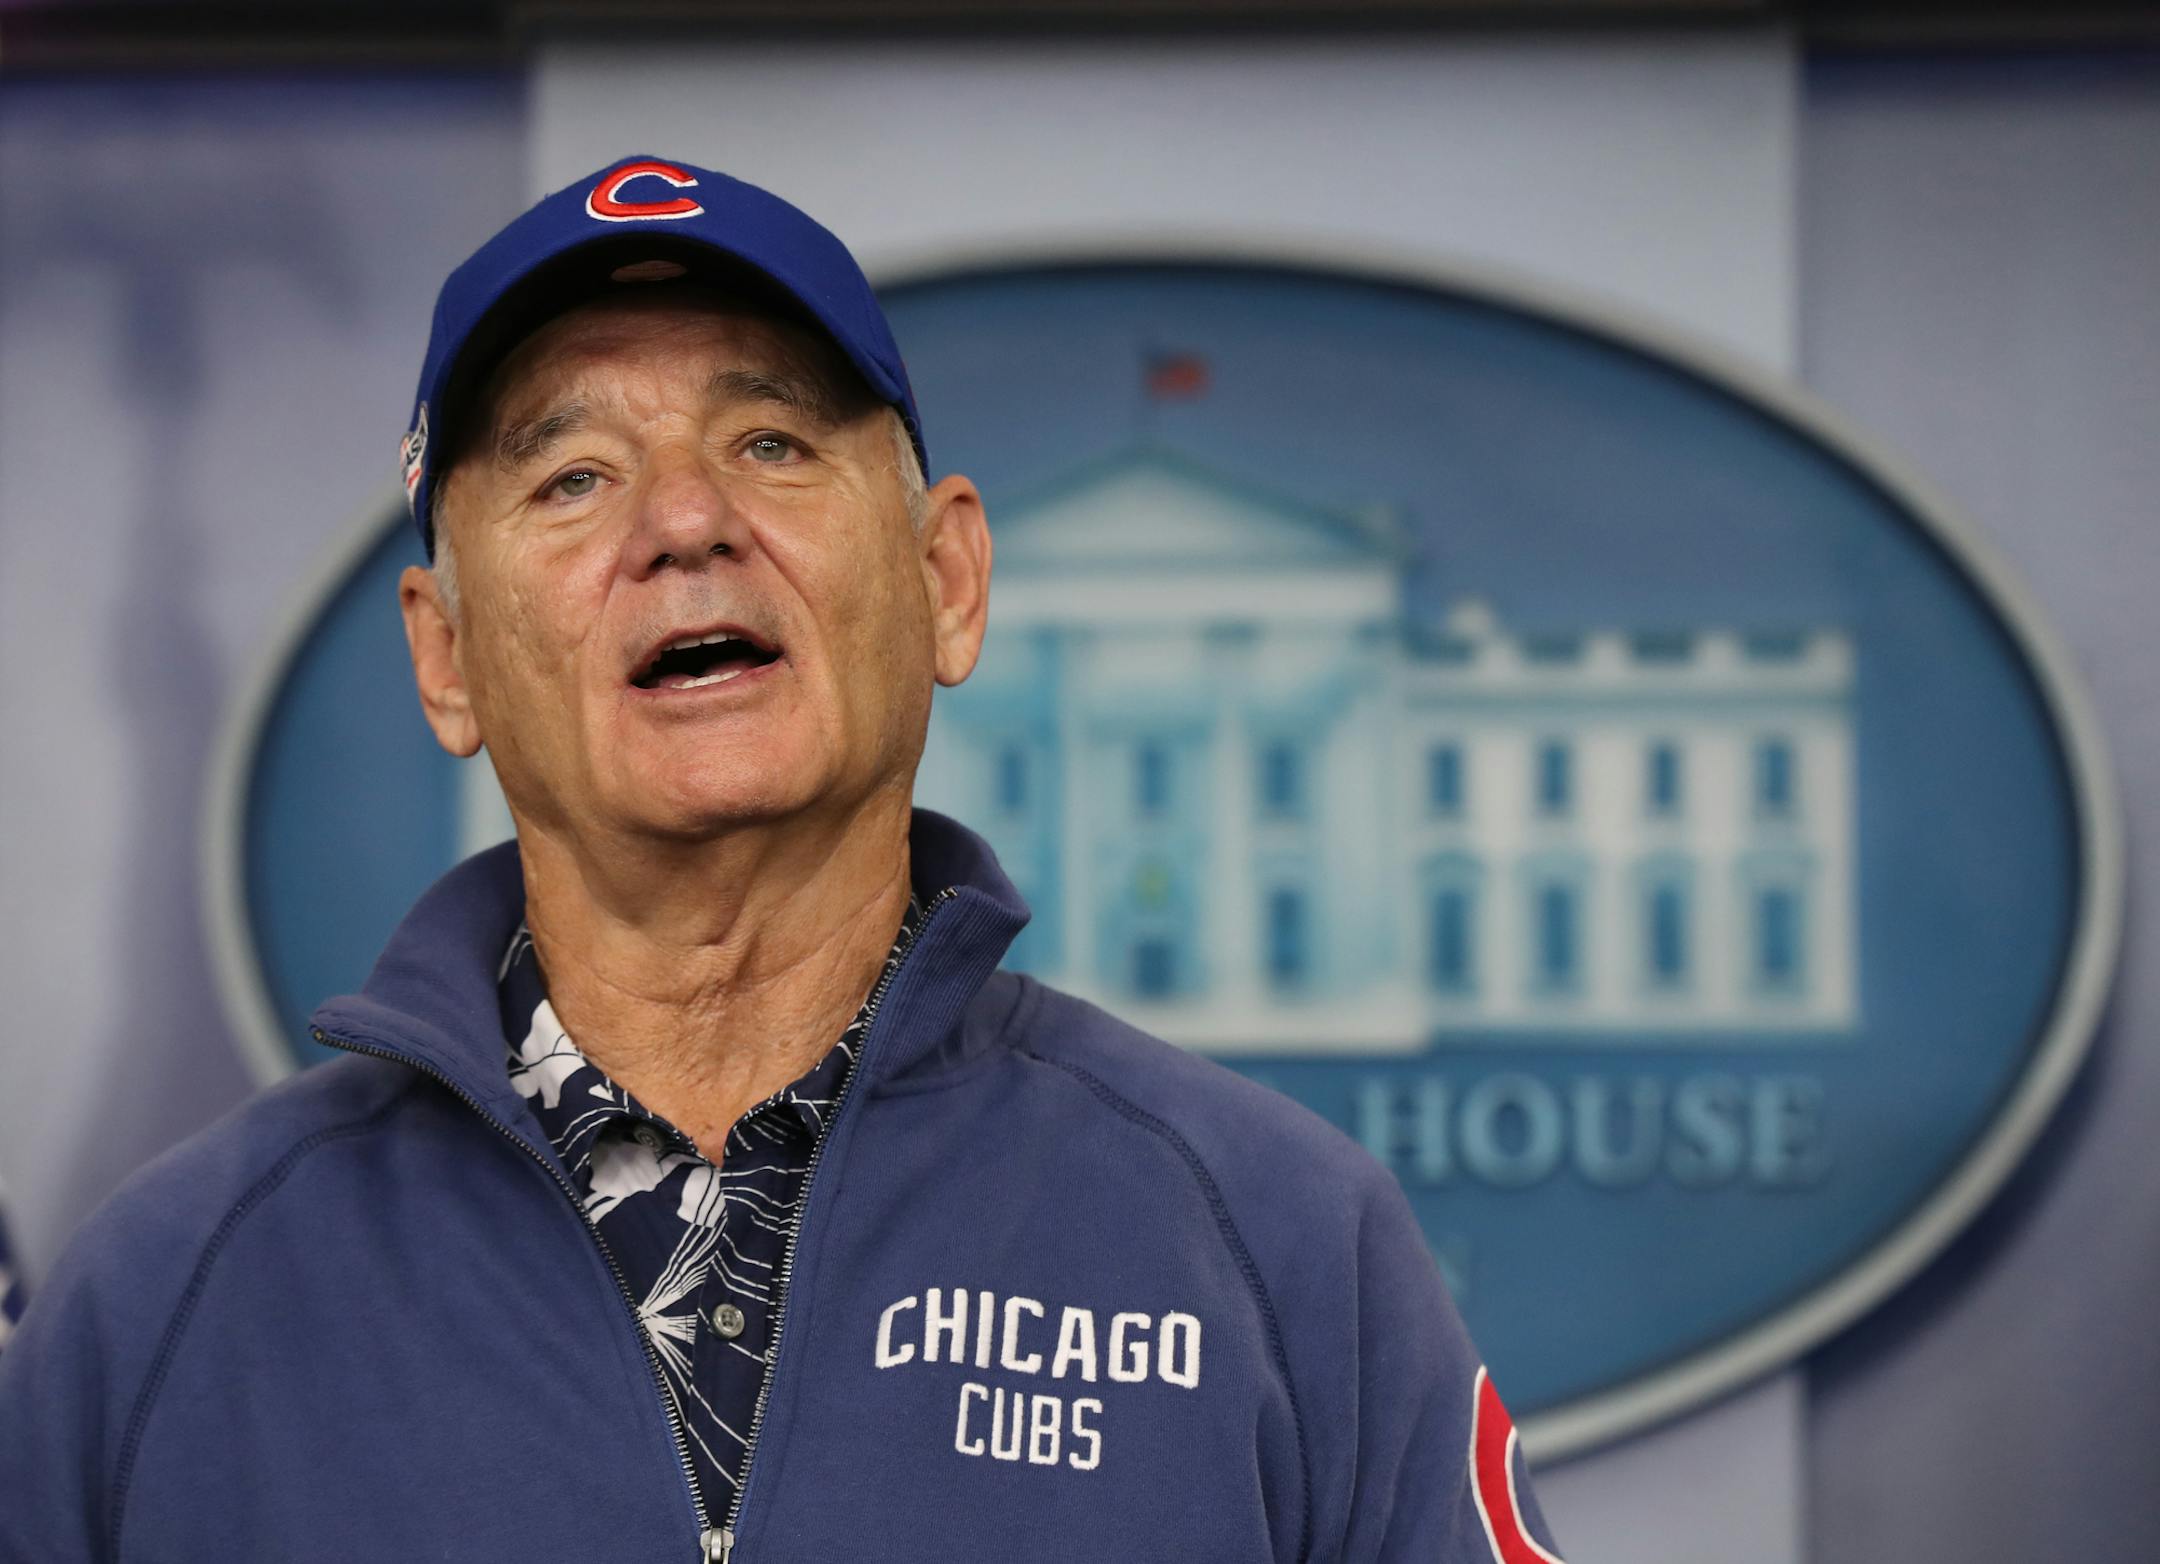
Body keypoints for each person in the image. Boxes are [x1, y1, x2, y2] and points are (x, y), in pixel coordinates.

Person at [0, 155, 1564, 1564]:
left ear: (948, 579)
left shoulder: (1290, 1251)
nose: (685, 520)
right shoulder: (157, 1311)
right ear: (448, 657)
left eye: (770, 441)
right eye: (571, 477)